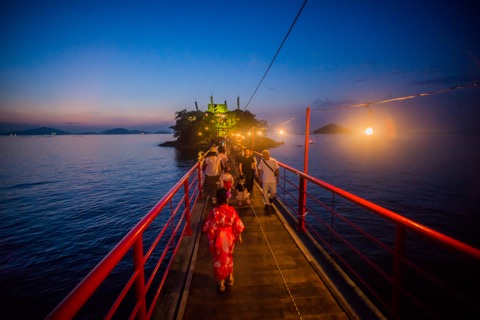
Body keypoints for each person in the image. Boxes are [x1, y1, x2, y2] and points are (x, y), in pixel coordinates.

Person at [202, 188, 244, 292]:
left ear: (217, 199)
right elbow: (237, 224)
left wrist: (212, 238)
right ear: (227, 199)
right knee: (229, 256)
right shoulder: (231, 210)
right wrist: (239, 235)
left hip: (219, 238)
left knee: (219, 259)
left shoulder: (214, 212)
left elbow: (208, 226)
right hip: (229, 237)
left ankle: (221, 282)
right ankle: (230, 277)